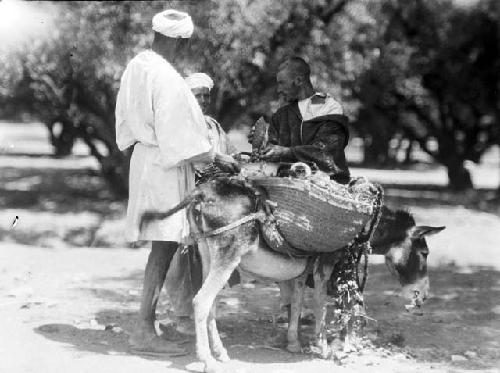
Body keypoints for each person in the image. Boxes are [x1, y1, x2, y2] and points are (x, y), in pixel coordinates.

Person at [115, 9, 239, 355]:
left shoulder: (136, 66)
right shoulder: (164, 75)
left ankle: (148, 323)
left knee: (164, 246)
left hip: (148, 159)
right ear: (178, 40)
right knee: (164, 246)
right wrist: (216, 157)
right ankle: (143, 328)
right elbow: (178, 136)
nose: (184, 50)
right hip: (164, 165)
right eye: (185, 44)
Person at [249, 56, 351, 324]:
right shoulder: (283, 115)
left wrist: (287, 152)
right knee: (276, 237)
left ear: (299, 80)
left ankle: (339, 308)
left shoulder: (329, 107)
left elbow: (327, 150)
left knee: (331, 248)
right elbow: (272, 151)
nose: (279, 89)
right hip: (290, 189)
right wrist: (261, 153)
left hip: (328, 187)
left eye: (283, 83)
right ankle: (288, 306)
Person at [162, 72, 238, 335]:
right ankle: (183, 316)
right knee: (180, 257)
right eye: (198, 96)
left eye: (207, 95)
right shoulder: (179, 123)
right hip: (183, 194)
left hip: (212, 200)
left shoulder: (213, 125)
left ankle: (206, 317)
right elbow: (188, 156)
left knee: (210, 258)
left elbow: (228, 155)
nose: (203, 100)